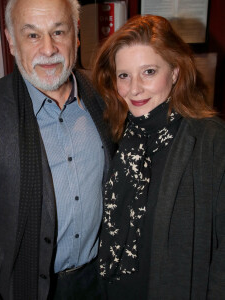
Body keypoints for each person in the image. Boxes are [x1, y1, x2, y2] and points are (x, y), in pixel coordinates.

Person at [0, 0, 115, 299]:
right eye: (32, 35)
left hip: (100, 282)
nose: (48, 49)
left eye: (58, 32)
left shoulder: (105, 94)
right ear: (11, 41)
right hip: (23, 289)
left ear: (76, 35)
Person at [93, 14, 225, 299]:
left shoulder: (212, 141)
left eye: (149, 72)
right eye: (124, 75)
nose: (135, 88)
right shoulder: (117, 136)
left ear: (175, 71)